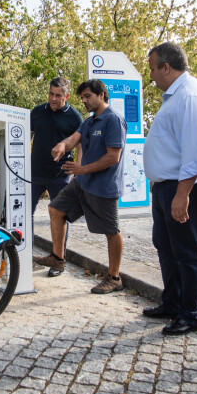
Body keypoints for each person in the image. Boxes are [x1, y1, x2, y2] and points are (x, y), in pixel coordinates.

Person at [142, 42, 197, 336]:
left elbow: (194, 152)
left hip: (185, 185)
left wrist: (182, 194)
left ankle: (191, 313)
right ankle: (173, 302)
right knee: (166, 245)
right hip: (168, 184)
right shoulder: (174, 95)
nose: (151, 75)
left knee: (187, 250)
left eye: (152, 68)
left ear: (166, 66)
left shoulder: (189, 96)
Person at [33, 79, 127, 294]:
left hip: (103, 187)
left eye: (87, 96)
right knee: (56, 209)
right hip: (82, 183)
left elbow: (113, 157)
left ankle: (114, 278)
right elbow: (73, 138)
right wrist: (62, 145)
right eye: (82, 97)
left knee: (111, 231)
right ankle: (58, 258)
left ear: (101, 95)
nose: (84, 100)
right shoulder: (90, 121)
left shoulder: (113, 120)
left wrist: (82, 169)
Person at [30, 77, 83, 277]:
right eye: (51, 94)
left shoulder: (75, 117)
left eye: (58, 95)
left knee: (59, 217)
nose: (53, 98)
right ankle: (26, 253)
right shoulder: (36, 112)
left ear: (66, 96)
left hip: (60, 175)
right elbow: (26, 136)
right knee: (26, 214)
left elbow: (80, 145)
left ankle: (57, 260)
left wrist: (79, 167)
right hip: (34, 173)